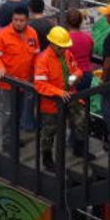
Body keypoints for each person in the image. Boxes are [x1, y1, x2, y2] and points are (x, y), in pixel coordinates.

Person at [34, 26, 90, 169]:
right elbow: (40, 84)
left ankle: (79, 148)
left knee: (81, 119)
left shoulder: (67, 54)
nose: (63, 50)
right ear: (52, 44)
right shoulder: (43, 60)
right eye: (61, 47)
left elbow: (76, 69)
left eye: (65, 47)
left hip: (69, 95)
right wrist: (59, 92)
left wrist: (76, 76)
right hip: (51, 102)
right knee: (49, 130)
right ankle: (47, 159)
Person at [0, 3, 39, 137]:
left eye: (21, 20)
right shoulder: (2, 35)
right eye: (15, 20)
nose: (18, 23)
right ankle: (7, 140)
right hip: (7, 83)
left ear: (27, 20)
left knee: (20, 112)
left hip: (25, 83)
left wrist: (36, 75)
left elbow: (37, 56)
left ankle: (15, 137)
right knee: (8, 112)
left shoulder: (32, 33)